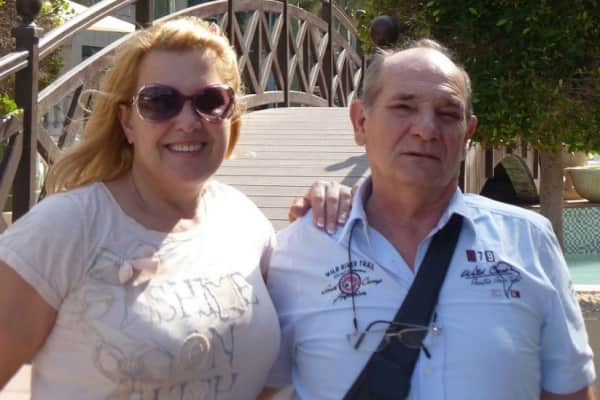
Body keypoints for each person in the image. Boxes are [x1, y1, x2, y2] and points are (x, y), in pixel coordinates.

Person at [0, 17, 350, 399]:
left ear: (231, 115)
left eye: (210, 101)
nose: (187, 121)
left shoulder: (244, 220)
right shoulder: (65, 228)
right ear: (127, 122)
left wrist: (329, 221)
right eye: (159, 102)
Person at [262, 39, 596, 399]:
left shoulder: (528, 241)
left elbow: (569, 392)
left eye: (448, 114)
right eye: (403, 107)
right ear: (360, 121)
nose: (426, 129)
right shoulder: (294, 255)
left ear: (467, 135)